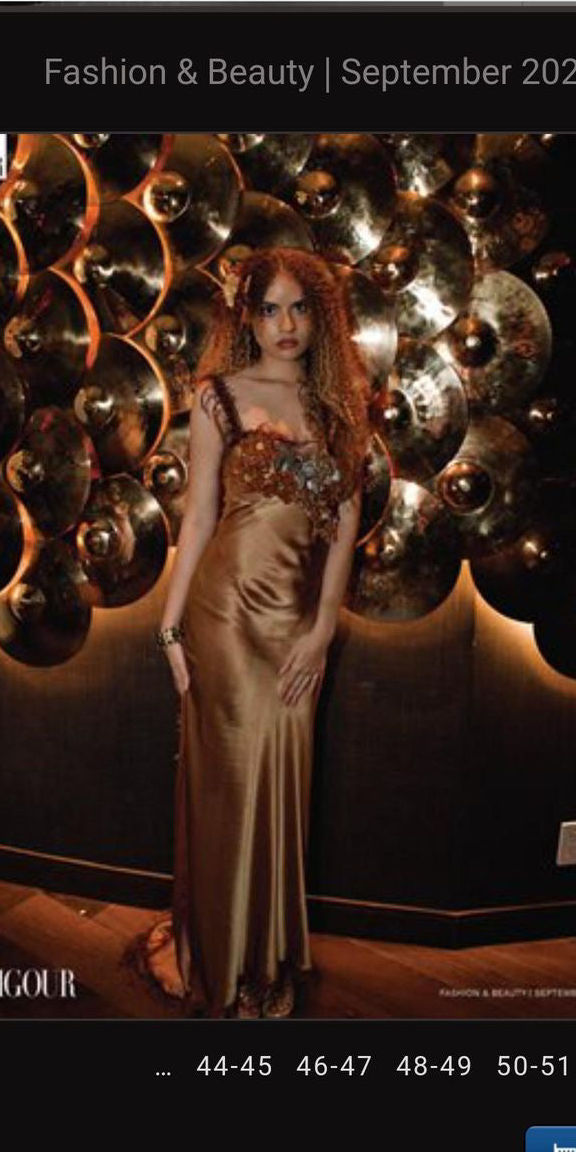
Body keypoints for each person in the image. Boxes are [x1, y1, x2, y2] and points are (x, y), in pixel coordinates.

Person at [137, 247, 370, 1017]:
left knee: (284, 787)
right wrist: (170, 626)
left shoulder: (339, 408)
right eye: (269, 309)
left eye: (299, 308)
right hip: (226, 615)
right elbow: (199, 515)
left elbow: (345, 525)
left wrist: (323, 628)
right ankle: (223, 963)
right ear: (248, 316)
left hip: (297, 626)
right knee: (232, 789)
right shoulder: (218, 397)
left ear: (321, 317)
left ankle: (265, 958)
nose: (285, 325)